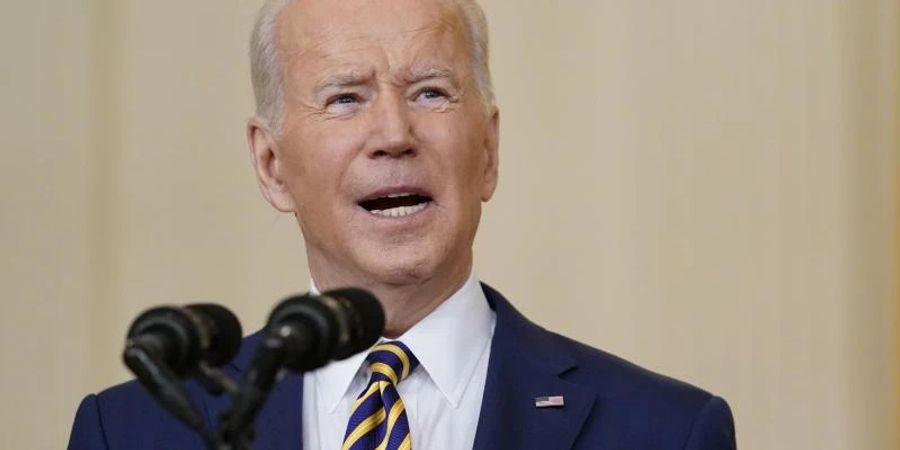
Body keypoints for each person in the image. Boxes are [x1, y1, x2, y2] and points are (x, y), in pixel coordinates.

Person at [68, 0, 737, 448]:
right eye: (344, 98)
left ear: (488, 151)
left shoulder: (664, 432)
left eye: (430, 92)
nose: (393, 133)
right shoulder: (135, 431)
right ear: (271, 165)